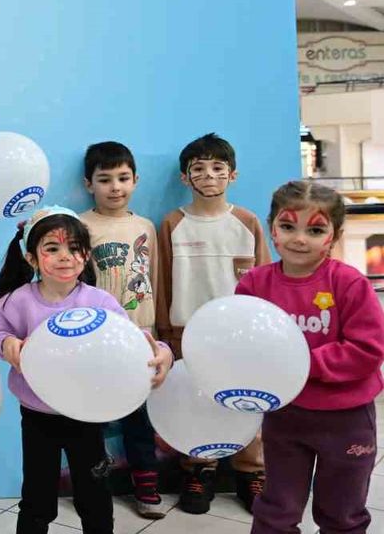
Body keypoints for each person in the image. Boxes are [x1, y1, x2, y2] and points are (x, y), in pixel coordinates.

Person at [0, 206, 173, 534]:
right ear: (31, 258)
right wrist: (6, 343)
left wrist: (163, 352)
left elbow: (133, 340)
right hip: (38, 416)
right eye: (52, 248)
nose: (65, 256)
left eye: (74, 248)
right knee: (37, 495)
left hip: (87, 416)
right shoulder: (18, 301)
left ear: (87, 255)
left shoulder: (100, 302)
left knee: (94, 493)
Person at [240, 181, 384, 534]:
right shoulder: (254, 284)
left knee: (342, 513)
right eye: (288, 226)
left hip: (347, 419)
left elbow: (367, 349)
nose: (299, 239)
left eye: (315, 230)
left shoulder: (349, 283)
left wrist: (301, 363)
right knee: (277, 509)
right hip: (284, 416)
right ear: (272, 226)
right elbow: (241, 343)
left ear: (335, 236)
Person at [157, 133, 269, 514]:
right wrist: (166, 332)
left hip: (239, 333)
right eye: (199, 169)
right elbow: (162, 280)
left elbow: (265, 280)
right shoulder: (173, 223)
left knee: (246, 400)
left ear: (232, 175)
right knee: (195, 399)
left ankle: (250, 471)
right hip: (187, 332)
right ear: (185, 177)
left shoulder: (247, 222)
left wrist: (262, 328)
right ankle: (198, 469)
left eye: (218, 168)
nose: (209, 176)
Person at [77, 142, 162, 519]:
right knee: (92, 415)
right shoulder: (81, 226)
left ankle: (146, 482)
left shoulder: (145, 227)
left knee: (137, 414)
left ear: (135, 180)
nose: (115, 187)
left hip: (140, 334)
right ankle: (93, 485)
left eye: (123, 178)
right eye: (105, 179)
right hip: (96, 337)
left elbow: (153, 278)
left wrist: (156, 330)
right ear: (88, 184)